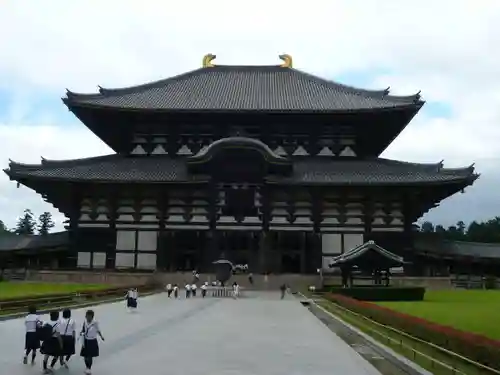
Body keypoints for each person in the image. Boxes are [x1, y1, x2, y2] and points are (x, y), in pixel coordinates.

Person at [80, 309, 105, 375]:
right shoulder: (85, 322)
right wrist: (81, 333)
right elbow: (83, 329)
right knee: (85, 355)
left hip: (92, 340)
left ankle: (89, 368)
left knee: (90, 355)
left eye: (88, 316)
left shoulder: (95, 323)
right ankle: (87, 367)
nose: (87, 318)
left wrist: (101, 336)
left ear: (92, 317)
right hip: (85, 340)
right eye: (86, 316)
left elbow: (98, 330)